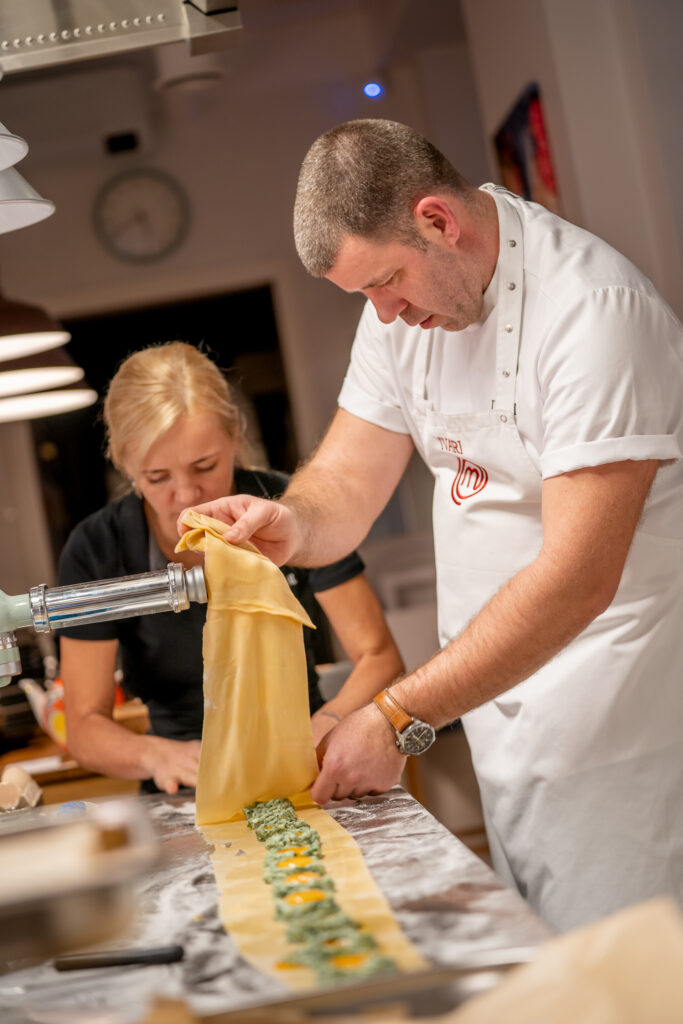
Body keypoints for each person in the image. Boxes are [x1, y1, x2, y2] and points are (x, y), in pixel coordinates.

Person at [183, 119, 683, 933]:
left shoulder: (594, 313)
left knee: (632, 980)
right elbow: (345, 479)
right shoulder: (397, 312)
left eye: (387, 282)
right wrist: (290, 522)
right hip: (504, 715)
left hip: (622, 730)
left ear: (437, 220)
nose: (384, 313)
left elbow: (577, 579)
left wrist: (396, 716)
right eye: (364, 297)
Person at [58, 342, 404, 795]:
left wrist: (330, 723)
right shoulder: (96, 548)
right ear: (124, 464)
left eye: (205, 466)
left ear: (234, 440)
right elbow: (83, 726)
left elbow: (380, 658)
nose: (185, 495)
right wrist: (156, 754)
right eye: (157, 477)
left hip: (309, 766)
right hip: (186, 786)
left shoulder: (295, 510)